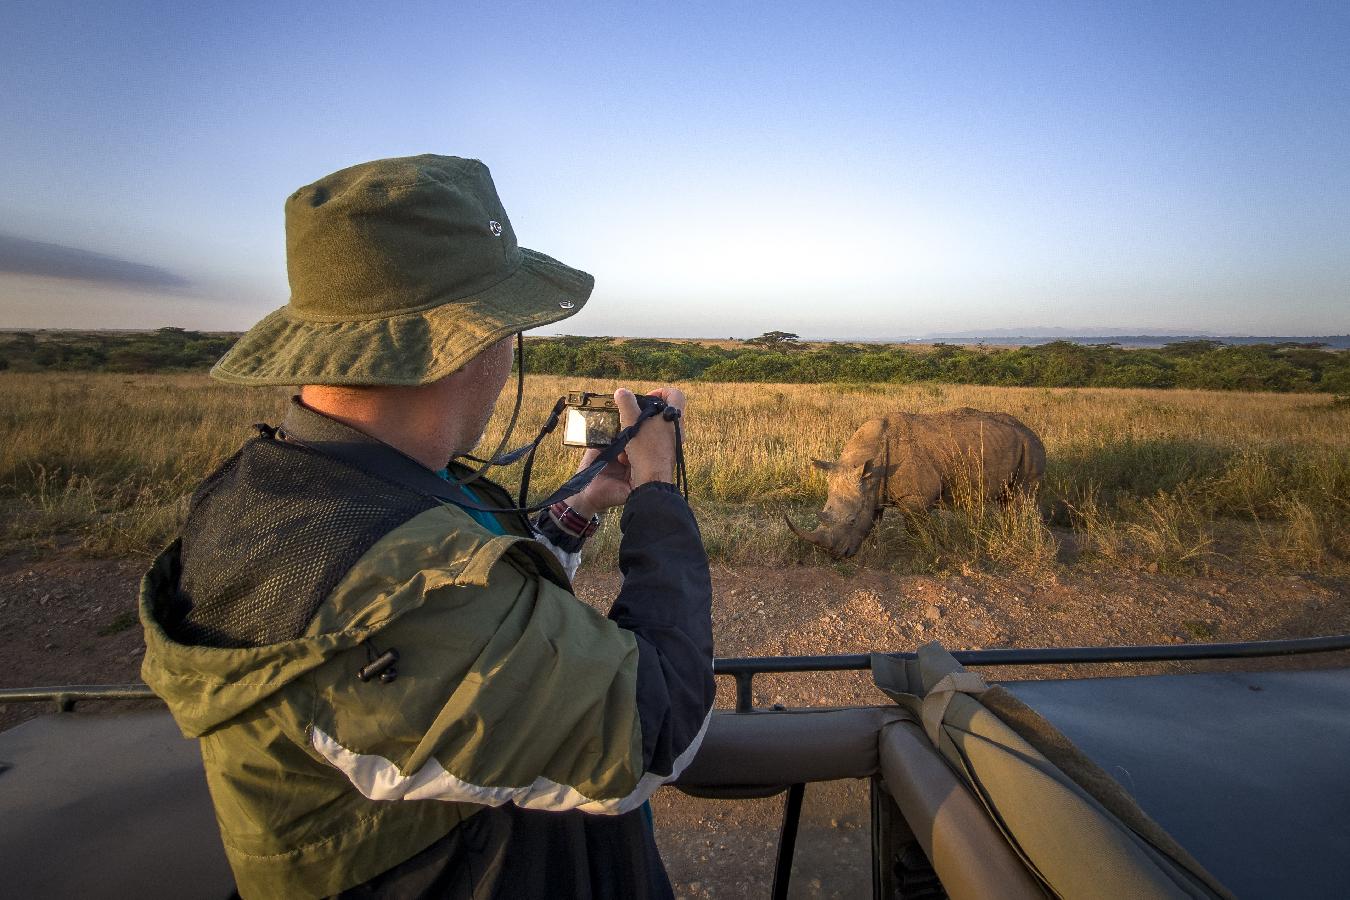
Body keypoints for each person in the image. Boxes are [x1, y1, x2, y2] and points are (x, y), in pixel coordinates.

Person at [138, 155, 715, 899]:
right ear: (467, 343)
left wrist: (576, 512)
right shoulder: (368, 575)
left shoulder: (311, 488)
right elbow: (654, 731)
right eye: (507, 324)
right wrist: (659, 496)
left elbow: (473, 609)